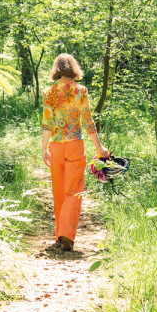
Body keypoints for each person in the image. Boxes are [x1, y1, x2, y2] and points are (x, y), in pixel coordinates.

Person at [41, 53, 108, 252]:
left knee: (59, 191)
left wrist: (43, 149)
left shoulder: (49, 92)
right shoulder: (81, 91)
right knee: (73, 190)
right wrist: (99, 147)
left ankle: (60, 235)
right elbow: (88, 121)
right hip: (75, 146)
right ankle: (67, 235)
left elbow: (47, 123)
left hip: (56, 146)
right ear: (74, 69)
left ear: (56, 70)